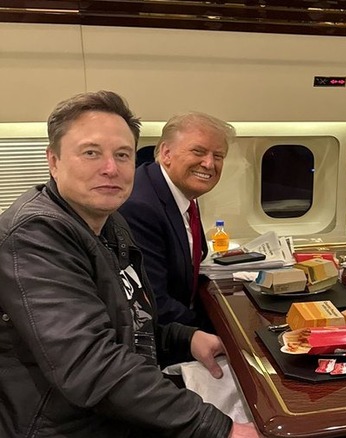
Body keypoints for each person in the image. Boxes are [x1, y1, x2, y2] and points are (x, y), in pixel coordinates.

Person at [0, 91, 259, 437]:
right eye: (91, 153)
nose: (111, 168)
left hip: (112, 404)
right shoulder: (35, 234)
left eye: (122, 155)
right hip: (65, 423)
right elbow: (92, 365)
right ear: (54, 161)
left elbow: (131, 319)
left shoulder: (110, 224)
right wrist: (218, 429)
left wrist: (186, 338)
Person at [119, 112, 235, 328]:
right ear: (166, 153)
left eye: (218, 156)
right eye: (198, 151)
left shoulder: (183, 194)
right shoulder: (141, 207)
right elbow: (153, 303)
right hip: (160, 339)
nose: (209, 164)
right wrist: (221, 331)